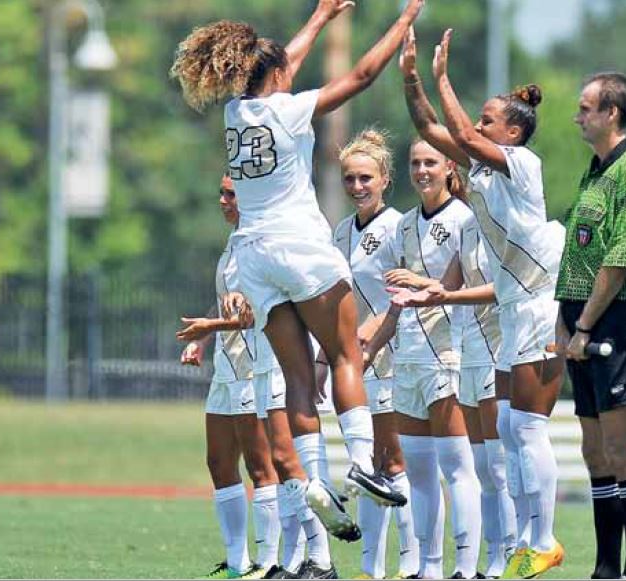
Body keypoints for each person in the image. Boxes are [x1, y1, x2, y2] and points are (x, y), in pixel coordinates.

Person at [170, 0, 421, 574]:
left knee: (296, 379)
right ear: (277, 77)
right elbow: (361, 76)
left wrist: (321, 15)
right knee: (346, 352)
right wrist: (403, 22)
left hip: (256, 259)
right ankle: (362, 463)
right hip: (300, 247)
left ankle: (316, 482)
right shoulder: (289, 110)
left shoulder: (237, 112)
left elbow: (281, 63)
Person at [399, 27, 566, 579]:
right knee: (507, 432)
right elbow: (429, 126)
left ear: (512, 132)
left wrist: (444, 78)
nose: (478, 124)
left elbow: (465, 137)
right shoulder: (482, 169)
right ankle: (522, 542)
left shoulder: (523, 165)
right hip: (513, 307)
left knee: (525, 430)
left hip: (541, 298)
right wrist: (413, 79)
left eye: (490, 119)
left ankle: (542, 538)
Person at [362, 134, 484, 580]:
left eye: (430, 162)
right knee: (418, 474)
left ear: (450, 167)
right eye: (415, 163)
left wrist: (419, 282)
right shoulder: (404, 224)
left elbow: (461, 291)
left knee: (458, 467)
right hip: (408, 359)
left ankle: (466, 568)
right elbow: (396, 302)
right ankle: (430, 568)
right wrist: (372, 348)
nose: (422, 171)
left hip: (449, 355)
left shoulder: (466, 220)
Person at [556, 71, 626, 580]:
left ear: (611, 113)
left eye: (585, 107)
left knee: (623, 449)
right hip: (581, 320)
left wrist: (585, 326)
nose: (577, 116)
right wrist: (564, 320)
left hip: (614, 321)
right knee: (594, 449)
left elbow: (622, 259)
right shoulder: (594, 171)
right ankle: (605, 567)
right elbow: (578, 254)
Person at [178, 175, 283, 580]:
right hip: (227, 365)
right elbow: (228, 302)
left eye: (230, 193)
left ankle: (269, 561)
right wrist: (205, 340)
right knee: (219, 461)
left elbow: (260, 311)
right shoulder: (234, 241)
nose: (222, 199)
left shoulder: (263, 241)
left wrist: (211, 326)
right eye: (220, 191)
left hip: (256, 364)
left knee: (260, 466)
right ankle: (237, 563)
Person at [332, 131, 419, 579]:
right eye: (349, 178)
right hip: (354, 360)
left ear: (384, 179)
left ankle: (412, 562)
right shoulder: (341, 231)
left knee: (392, 460)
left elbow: (407, 289)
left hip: (393, 353)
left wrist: (373, 330)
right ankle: (371, 568)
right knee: (366, 466)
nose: (357, 186)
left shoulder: (400, 226)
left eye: (366, 177)